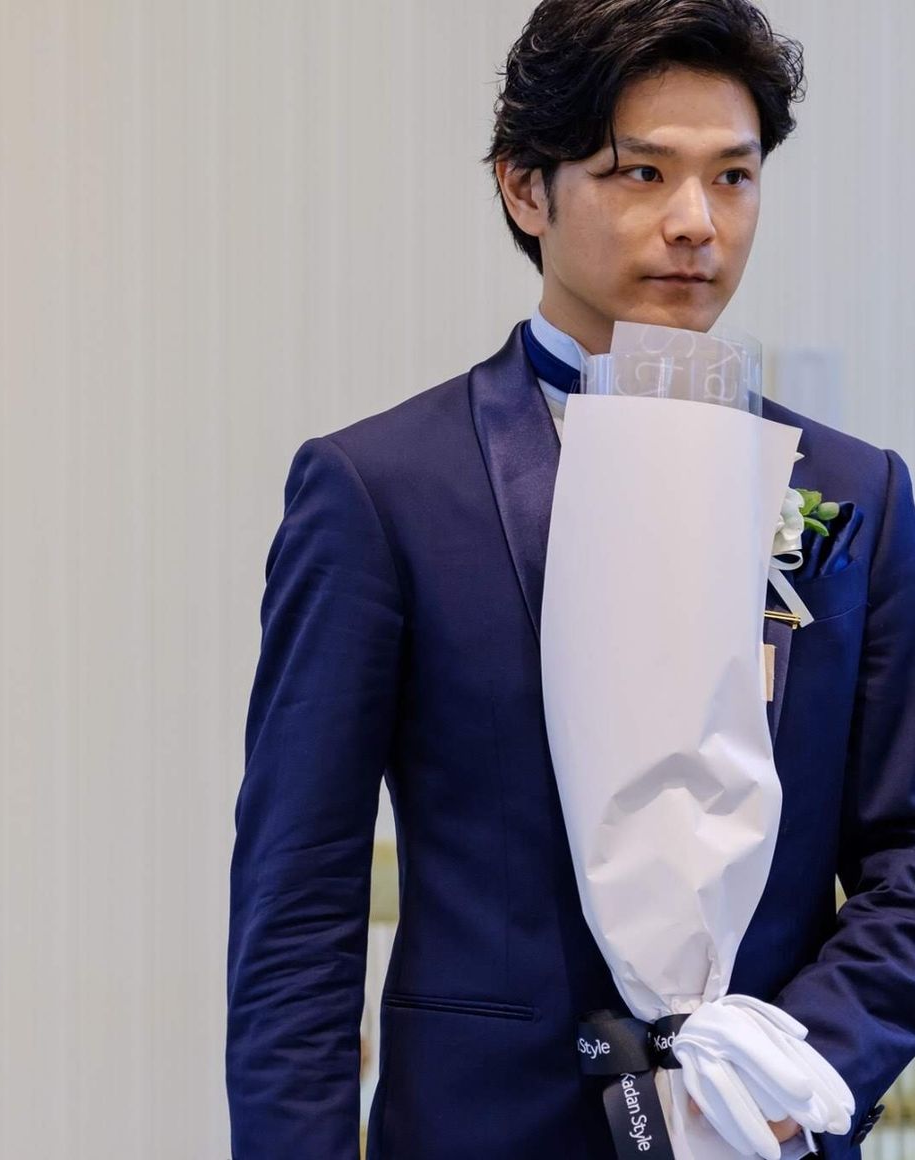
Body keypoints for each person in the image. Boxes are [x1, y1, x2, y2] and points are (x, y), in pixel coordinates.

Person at [226, 1, 915, 1157]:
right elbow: (298, 904)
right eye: (639, 172)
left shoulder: (855, 492)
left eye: (732, 177)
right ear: (522, 189)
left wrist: (795, 1061)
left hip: (764, 1135)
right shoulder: (382, 488)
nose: (694, 221)